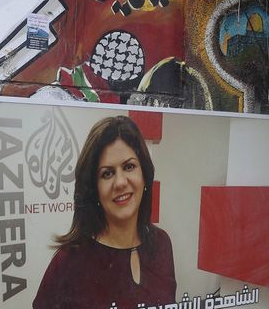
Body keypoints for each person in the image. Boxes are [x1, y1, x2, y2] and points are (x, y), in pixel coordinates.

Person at [33, 116, 177, 309]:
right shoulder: (69, 262)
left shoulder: (161, 244)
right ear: (94, 189)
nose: (120, 182)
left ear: (145, 176)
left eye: (129, 166)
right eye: (107, 173)